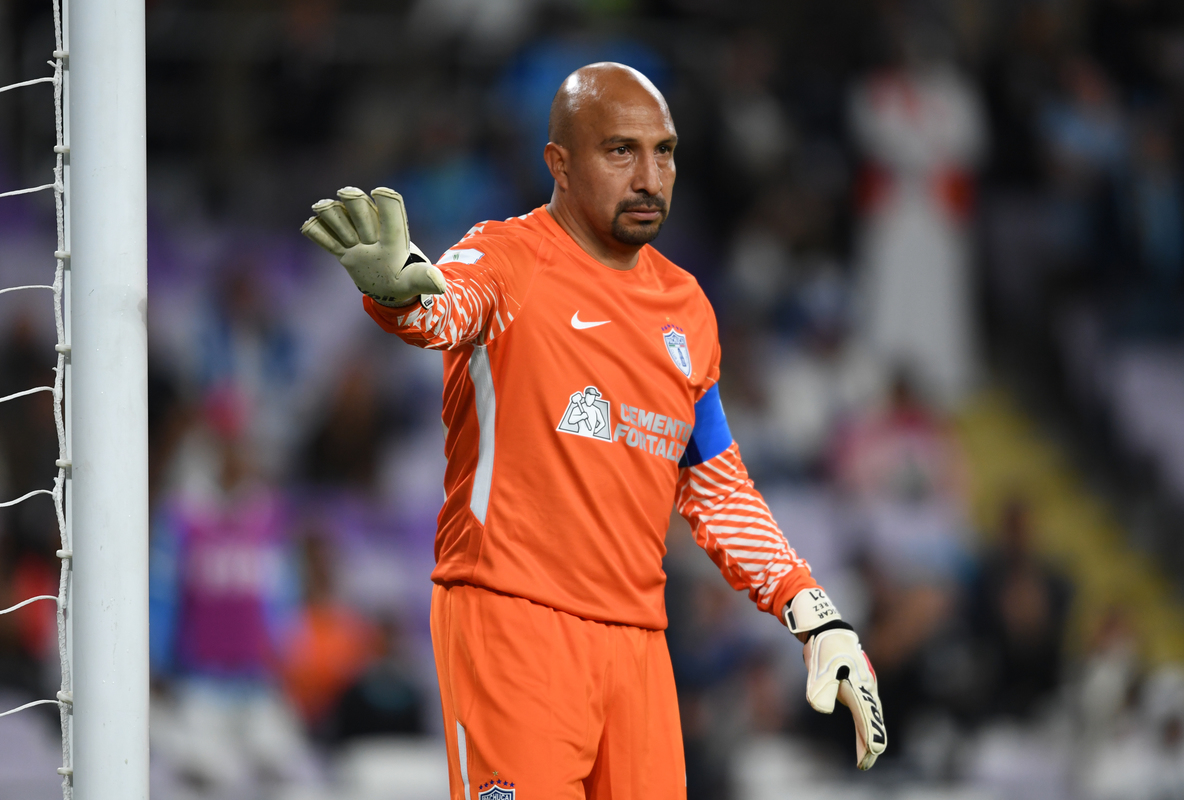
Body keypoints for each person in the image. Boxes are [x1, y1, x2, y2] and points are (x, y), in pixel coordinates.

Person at [301, 62, 886, 799]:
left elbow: (715, 484)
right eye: (620, 151)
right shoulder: (507, 256)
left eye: (663, 152)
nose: (649, 177)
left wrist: (816, 616)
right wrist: (396, 291)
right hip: (513, 619)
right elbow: (442, 306)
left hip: (638, 645)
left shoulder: (687, 307)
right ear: (560, 163)